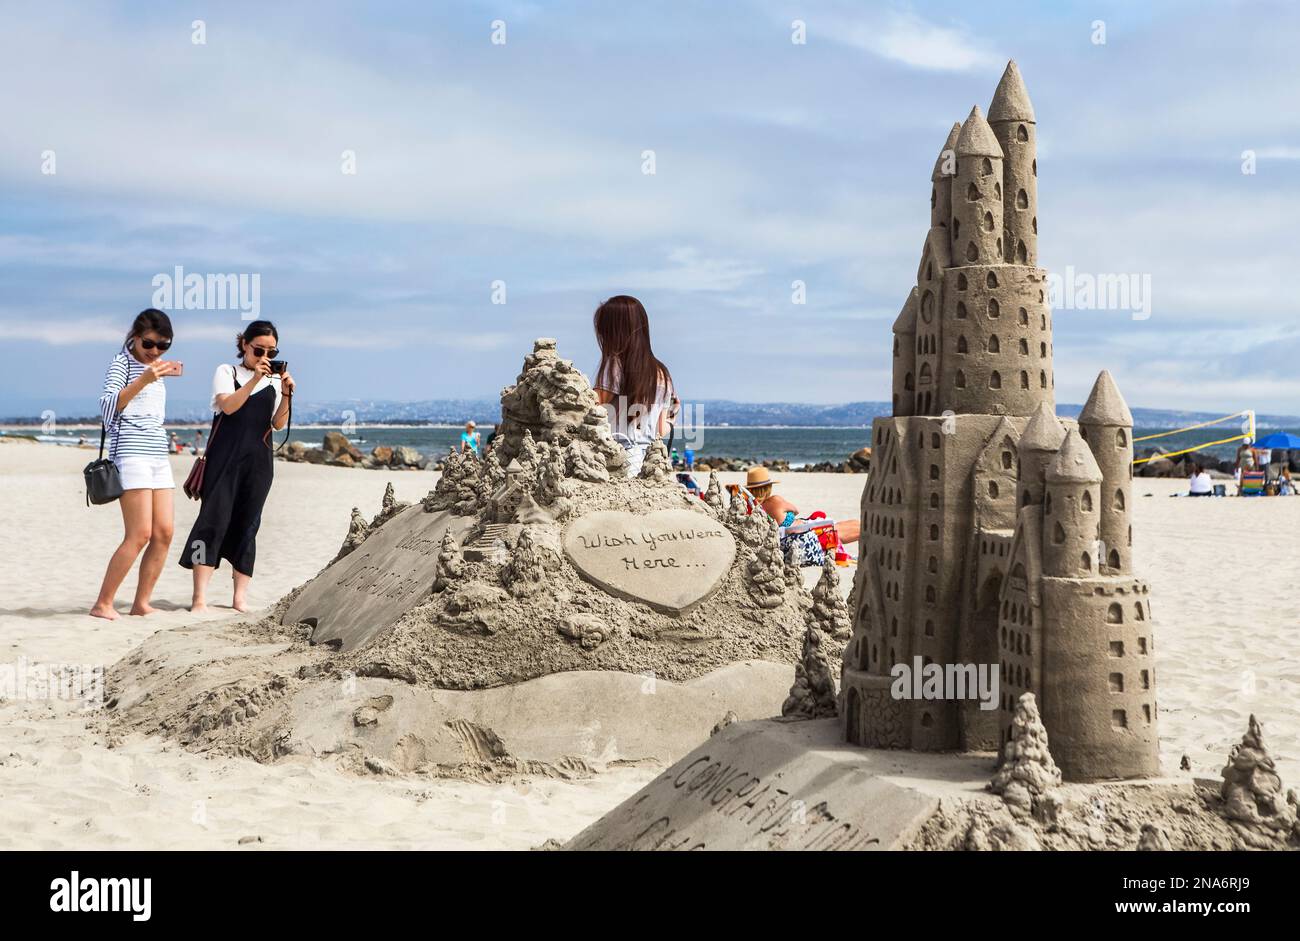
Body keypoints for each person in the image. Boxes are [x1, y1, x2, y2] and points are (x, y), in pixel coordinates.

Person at [179, 321, 294, 612]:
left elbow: (278, 423)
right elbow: (228, 406)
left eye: (271, 351)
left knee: (248, 526)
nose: (264, 356)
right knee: (211, 522)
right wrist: (255, 379)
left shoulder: (273, 381)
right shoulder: (226, 372)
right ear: (244, 344)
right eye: (258, 349)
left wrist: (287, 394)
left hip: (259, 463)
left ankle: (239, 598)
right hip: (223, 460)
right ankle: (199, 598)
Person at [89, 309, 182, 620]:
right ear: (134, 337)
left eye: (163, 346)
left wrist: (153, 373)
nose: (155, 351)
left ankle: (141, 602)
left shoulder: (155, 367)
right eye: (149, 344)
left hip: (158, 453)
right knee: (139, 533)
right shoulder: (121, 364)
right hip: (131, 453)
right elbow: (107, 408)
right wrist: (143, 379)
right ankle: (103, 603)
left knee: (164, 532)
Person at [592, 295, 677, 476]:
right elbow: (661, 430)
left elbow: (591, 413)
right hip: (650, 463)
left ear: (613, 333)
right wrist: (672, 418)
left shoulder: (614, 366)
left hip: (619, 460)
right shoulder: (662, 373)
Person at [746, 466, 861, 544]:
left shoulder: (751, 507)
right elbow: (796, 510)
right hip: (803, 531)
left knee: (845, 525)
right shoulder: (774, 500)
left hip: (794, 534)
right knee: (849, 528)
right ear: (768, 487)